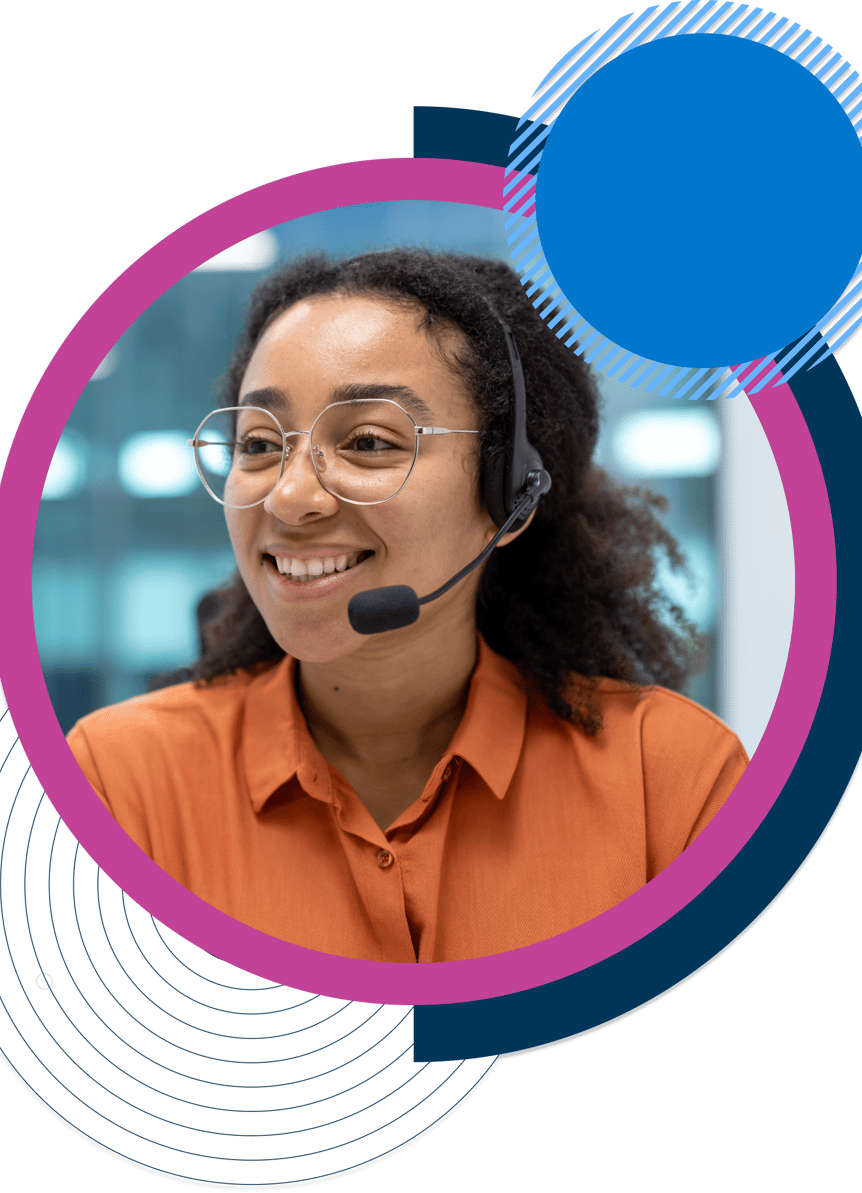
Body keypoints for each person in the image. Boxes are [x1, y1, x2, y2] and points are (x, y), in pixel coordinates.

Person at [67, 249, 748, 964]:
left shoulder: (670, 782)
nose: (290, 496)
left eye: (366, 441)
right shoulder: (117, 786)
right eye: (260, 444)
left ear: (508, 495)